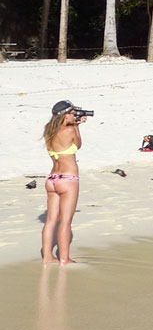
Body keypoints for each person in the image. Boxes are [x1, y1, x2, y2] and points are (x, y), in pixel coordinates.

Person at [40, 100, 85, 265]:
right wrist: (77, 126)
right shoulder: (71, 130)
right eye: (72, 113)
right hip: (68, 179)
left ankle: (47, 257)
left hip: (52, 179)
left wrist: (74, 122)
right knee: (65, 221)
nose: (75, 116)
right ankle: (64, 258)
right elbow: (78, 145)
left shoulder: (48, 130)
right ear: (65, 115)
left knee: (51, 220)